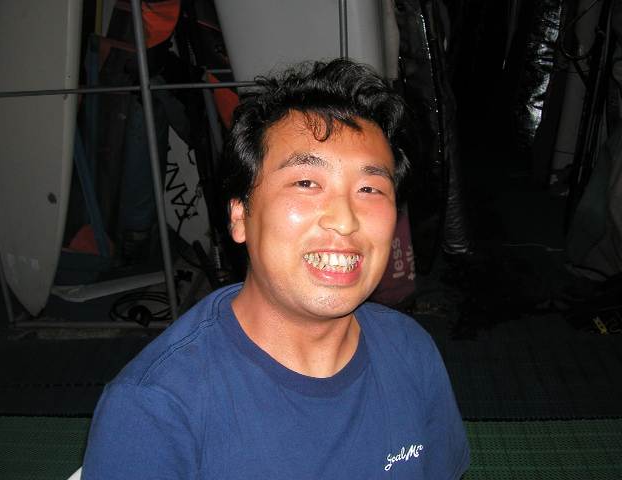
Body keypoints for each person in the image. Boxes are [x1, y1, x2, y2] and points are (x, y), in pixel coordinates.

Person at [82, 59, 470, 479]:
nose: (345, 220)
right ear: (239, 216)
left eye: (370, 188)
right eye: (306, 183)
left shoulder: (410, 352)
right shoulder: (154, 410)